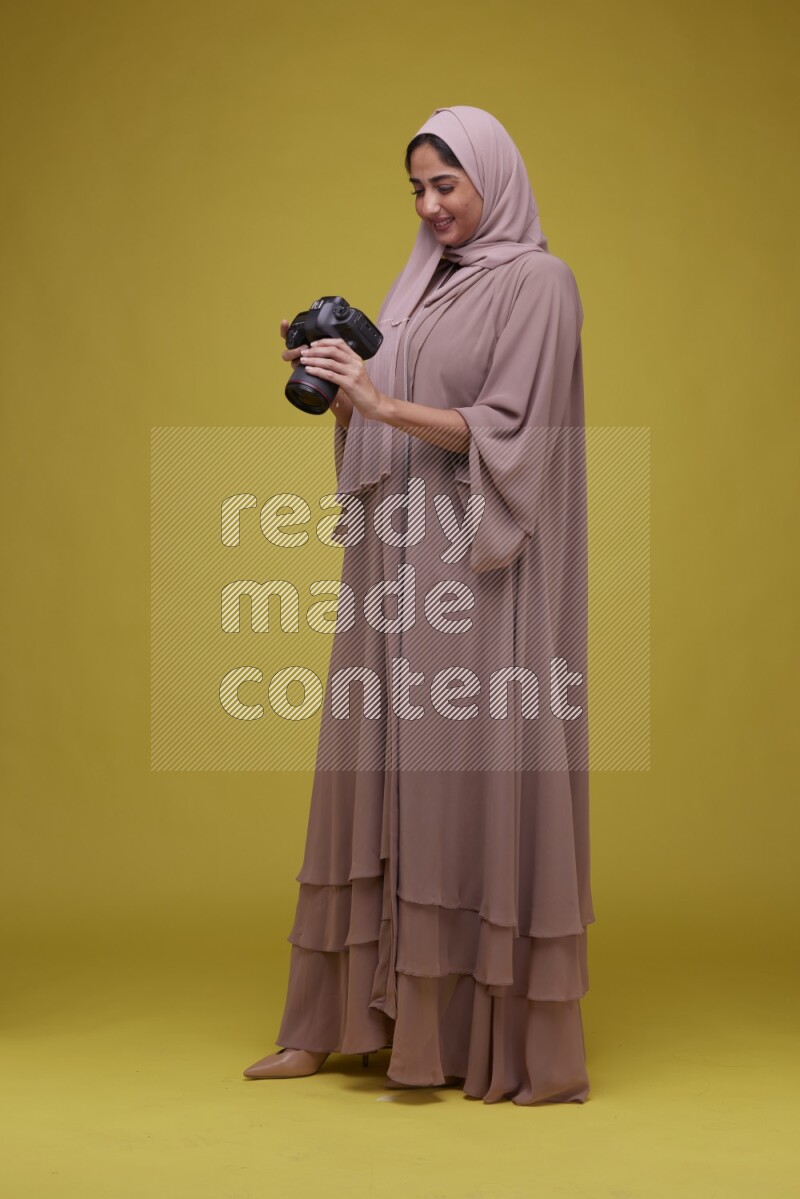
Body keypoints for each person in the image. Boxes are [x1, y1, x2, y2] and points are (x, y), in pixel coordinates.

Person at [243, 105, 595, 1105]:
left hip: (473, 572)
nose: (430, 205)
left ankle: (455, 1041)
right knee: (374, 769)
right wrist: (343, 387)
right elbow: (384, 429)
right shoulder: (423, 284)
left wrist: (383, 396)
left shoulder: (538, 282)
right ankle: (329, 1022)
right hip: (390, 563)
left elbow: (513, 432)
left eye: (446, 183)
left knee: (450, 776)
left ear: (492, 178)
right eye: (416, 189)